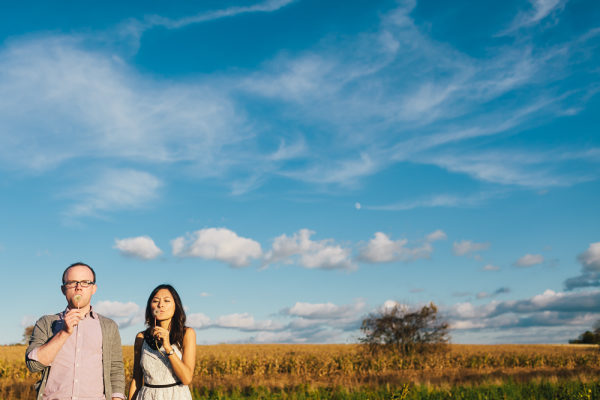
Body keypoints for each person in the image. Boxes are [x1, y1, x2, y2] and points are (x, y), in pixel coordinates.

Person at [26, 262, 125, 400]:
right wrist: (63, 333)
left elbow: (115, 369)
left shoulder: (109, 326)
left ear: (93, 288)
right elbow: (33, 365)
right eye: (72, 283)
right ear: (63, 289)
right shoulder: (46, 322)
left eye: (85, 282)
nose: (78, 288)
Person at [128, 284, 196, 400]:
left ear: (176, 306)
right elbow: (137, 379)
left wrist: (168, 347)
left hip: (176, 396)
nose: (161, 305)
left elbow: (186, 378)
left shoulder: (187, 333)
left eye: (167, 301)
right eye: (155, 301)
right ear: (150, 307)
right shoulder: (141, 337)